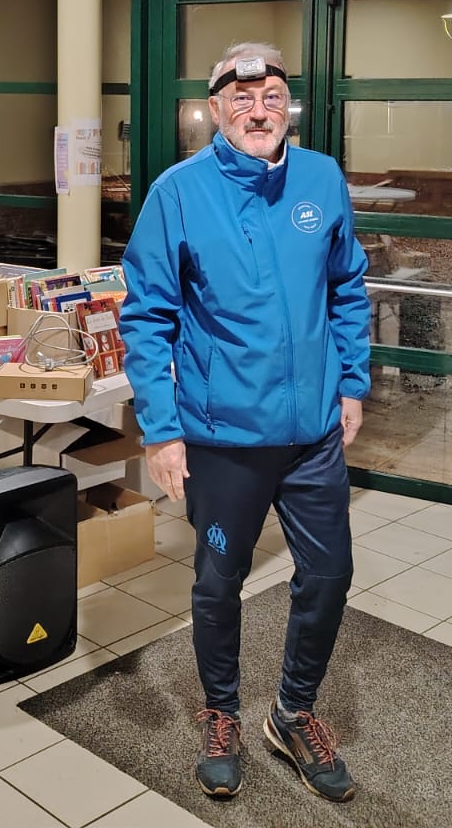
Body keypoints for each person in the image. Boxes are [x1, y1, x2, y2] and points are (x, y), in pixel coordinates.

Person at [120, 42, 371, 805]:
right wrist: (161, 431)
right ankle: (221, 712)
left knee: (329, 574)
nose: (259, 112)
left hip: (312, 438)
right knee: (218, 580)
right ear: (216, 108)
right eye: (242, 98)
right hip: (223, 440)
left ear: (287, 105)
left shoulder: (320, 179)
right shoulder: (177, 193)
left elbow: (347, 286)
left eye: (272, 98)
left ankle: (292, 713)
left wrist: (352, 383)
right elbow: (146, 318)